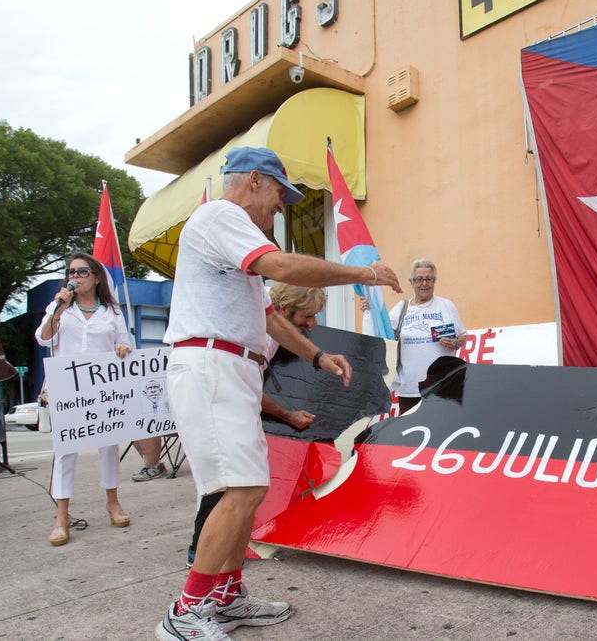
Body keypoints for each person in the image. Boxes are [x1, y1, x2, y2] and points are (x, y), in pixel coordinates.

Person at [155, 146, 401, 641]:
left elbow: (268, 317)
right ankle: (186, 610)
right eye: (279, 194)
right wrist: (364, 273)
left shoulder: (232, 235)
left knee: (246, 488)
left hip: (230, 367)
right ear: (252, 181)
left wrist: (316, 355)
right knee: (239, 489)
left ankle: (225, 597)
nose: (281, 207)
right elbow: (285, 271)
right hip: (211, 364)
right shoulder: (220, 215)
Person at [185, 283, 327, 567]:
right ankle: (200, 552)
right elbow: (248, 386)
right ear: (285, 309)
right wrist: (287, 415)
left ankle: (221, 560)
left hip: (228, 395)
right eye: (308, 316)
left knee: (239, 482)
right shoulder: (255, 330)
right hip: (216, 395)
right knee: (226, 483)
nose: (313, 324)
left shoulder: (272, 325)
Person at [36, 252, 134, 547]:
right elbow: (43, 337)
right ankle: (61, 515)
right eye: (71, 272)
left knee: (109, 446)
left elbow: (125, 342)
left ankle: (113, 503)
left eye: (81, 272)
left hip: (102, 390)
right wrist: (59, 310)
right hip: (69, 388)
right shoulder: (60, 307)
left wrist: (122, 350)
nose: (75, 277)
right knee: (65, 451)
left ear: (95, 277)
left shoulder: (112, 312)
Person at [387, 259, 466, 414]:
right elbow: (383, 333)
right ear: (411, 282)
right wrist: (369, 309)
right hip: (409, 388)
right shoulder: (401, 309)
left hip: (441, 387)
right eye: (419, 279)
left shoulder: (446, 306)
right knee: (409, 434)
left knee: (441, 431)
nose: (424, 284)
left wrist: (455, 343)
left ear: (434, 281)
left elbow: (463, 336)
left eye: (428, 279)